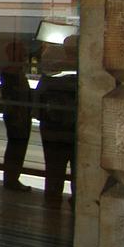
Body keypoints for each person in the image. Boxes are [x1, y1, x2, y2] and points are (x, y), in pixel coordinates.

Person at [37, 35, 78, 206]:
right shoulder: (76, 72)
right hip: (67, 130)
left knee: (54, 168)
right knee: (74, 169)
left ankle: (52, 200)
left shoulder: (52, 72)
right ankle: (69, 199)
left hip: (54, 129)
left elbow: (38, 100)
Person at [0, 40, 33, 191]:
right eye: (22, 52)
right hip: (16, 116)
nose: (25, 55)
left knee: (17, 148)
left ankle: (12, 179)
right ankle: (11, 180)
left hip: (20, 115)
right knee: (16, 148)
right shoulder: (10, 72)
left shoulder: (16, 71)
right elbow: (12, 97)